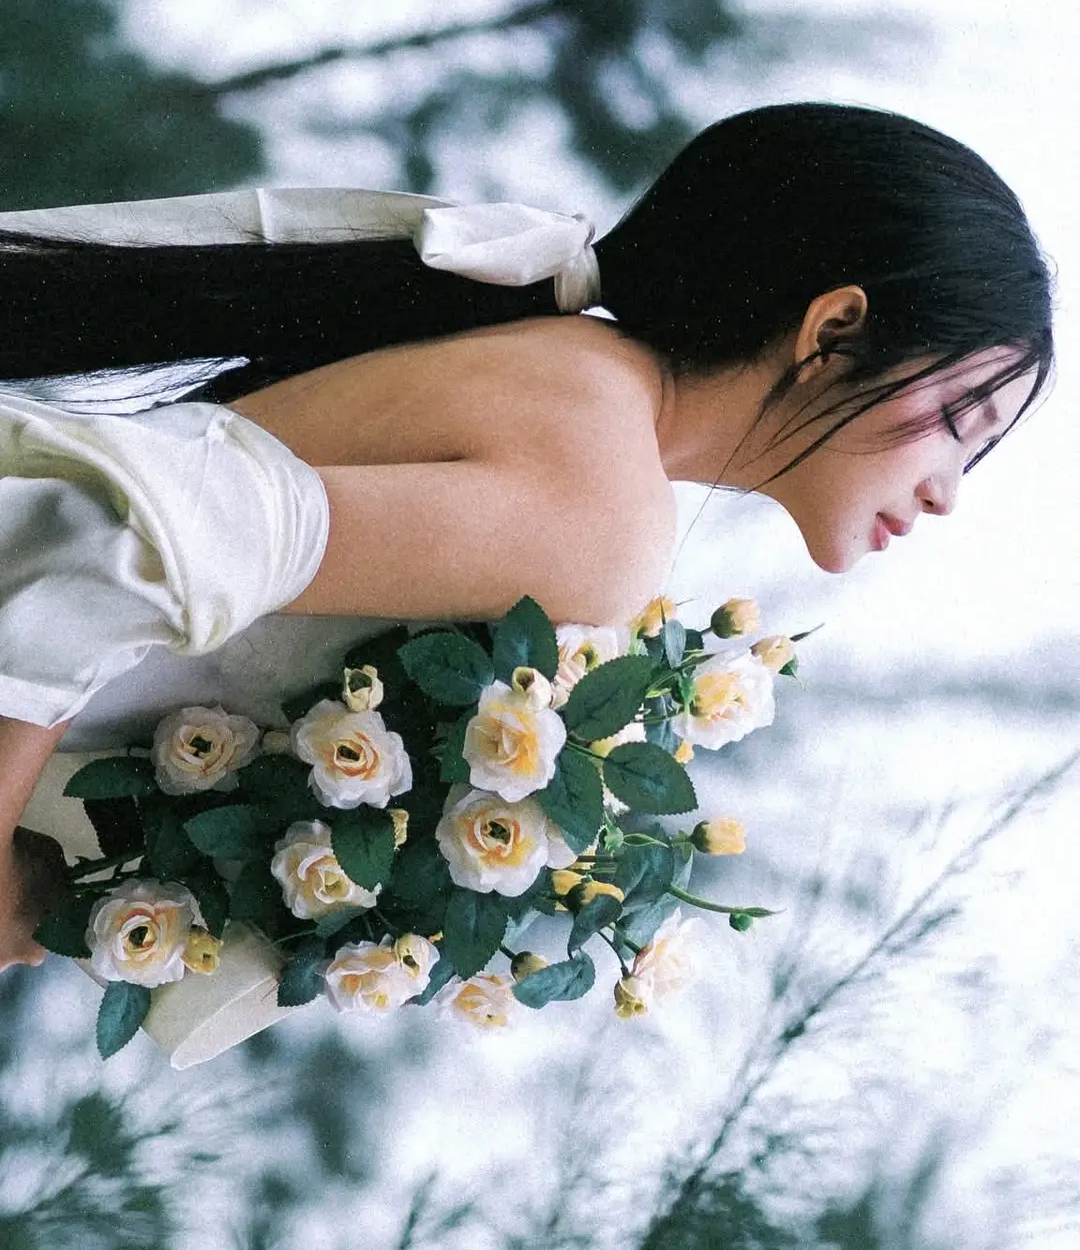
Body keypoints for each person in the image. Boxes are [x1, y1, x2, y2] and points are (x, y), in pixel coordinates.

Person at [0, 102, 1055, 983]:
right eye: (960, 423)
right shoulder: (604, 506)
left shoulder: (567, 366)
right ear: (832, 333)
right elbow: (115, 553)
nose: (948, 495)